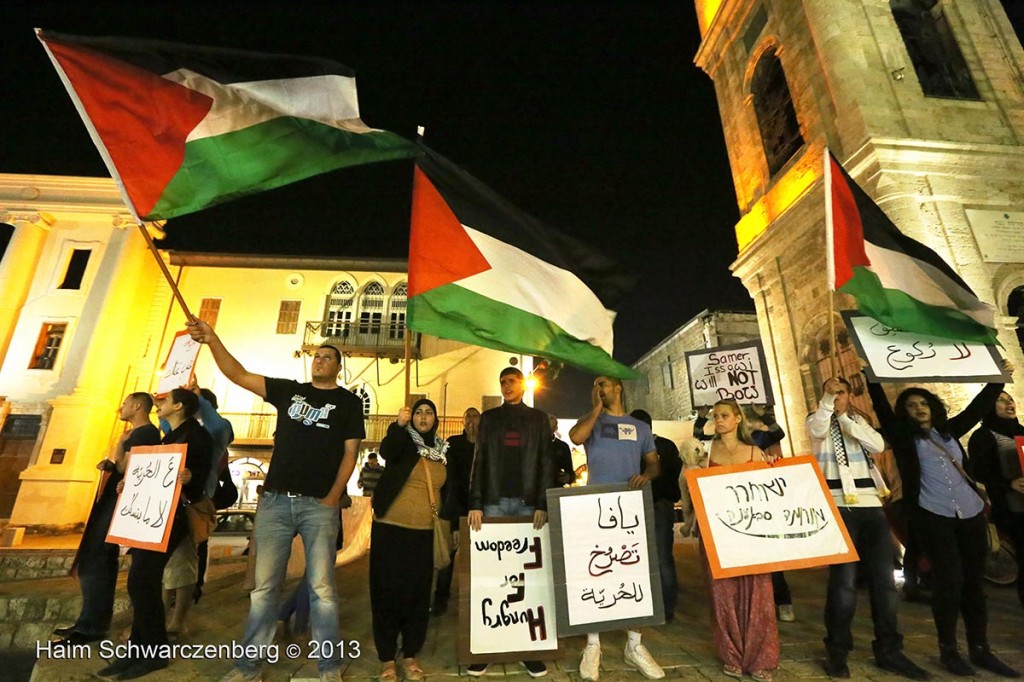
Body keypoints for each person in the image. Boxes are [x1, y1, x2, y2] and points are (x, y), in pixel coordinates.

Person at [188, 319, 363, 682]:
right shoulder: (288, 391)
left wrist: (332, 497)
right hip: (276, 503)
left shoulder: (347, 402)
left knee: (323, 589)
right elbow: (238, 374)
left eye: (327, 357)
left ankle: (328, 667)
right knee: (264, 588)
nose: (319, 360)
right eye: (316, 355)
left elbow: (350, 454)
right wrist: (212, 340)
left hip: (319, 506)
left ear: (337, 367)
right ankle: (249, 666)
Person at [868, 373, 1019, 678]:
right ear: (905, 412)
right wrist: (869, 376)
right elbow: (881, 408)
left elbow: (978, 408)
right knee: (949, 584)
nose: (919, 408)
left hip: (970, 512)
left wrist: (999, 380)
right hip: (933, 515)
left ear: (933, 407)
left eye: (924, 403)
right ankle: (949, 650)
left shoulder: (949, 431)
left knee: (975, 586)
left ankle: (981, 649)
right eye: (912, 405)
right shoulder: (904, 437)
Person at [808, 377, 928, 680]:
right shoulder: (817, 418)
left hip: (871, 505)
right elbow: (817, 430)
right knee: (843, 583)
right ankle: (837, 651)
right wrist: (827, 404)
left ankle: (889, 649)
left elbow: (877, 444)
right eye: (831, 392)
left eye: (841, 392)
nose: (837, 397)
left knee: (884, 581)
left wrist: (847, 418)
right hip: (838, 505)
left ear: (850, 396)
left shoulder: (858, 423)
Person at [97, 388, 212, 679]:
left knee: (142, 580)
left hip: (172, 518)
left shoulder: (196, 436)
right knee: (140, 580)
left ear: (179, 406)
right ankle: (139, 649)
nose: (159, 404)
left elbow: (201, 473)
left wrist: (191, 477)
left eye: (164, 400)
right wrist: (130, 485)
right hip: (154, 516)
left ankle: (154, 651)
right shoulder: (171, 436)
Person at [569, 376, 664, 682]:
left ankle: (634, 645)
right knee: (595, 571)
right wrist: (597, 408)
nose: (598, 387)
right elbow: (575, 436)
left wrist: (647, 476)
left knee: (635, 574)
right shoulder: (592, 422)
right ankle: (593, 645)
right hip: (597, 508)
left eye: (604, 384)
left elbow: (654, 464)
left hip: (630, 510)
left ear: (619, 388)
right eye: (594, 384)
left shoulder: (640, 428)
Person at [51, 393, 161, 648]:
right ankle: (88, 621)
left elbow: (126, 468)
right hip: (111, 501)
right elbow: (121, 465)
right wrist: (118, 451)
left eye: (125, 403)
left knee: (98, 559)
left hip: (117, 504)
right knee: (96, 559)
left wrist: (119, 452)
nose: (120, 407)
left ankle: (92, 625)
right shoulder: (136, 434)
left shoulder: (146, 434)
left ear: (137, 406)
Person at [467, 367, 556, 679]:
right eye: (502, 381)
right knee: (494, 575)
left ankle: (527, 649)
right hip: (493, 503)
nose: (506, 385)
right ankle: (489, 645)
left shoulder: (538, 419)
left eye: (511, 381)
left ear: (523, 384)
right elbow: (478, 462)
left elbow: (547, 462)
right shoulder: (489, 419)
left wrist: (543, 504)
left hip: (527, 504)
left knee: (526, 578)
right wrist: (475, 503)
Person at [370, 400, 449, 681]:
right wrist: (398, 425)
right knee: (386, 592)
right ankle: (387, 658)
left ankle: (411, 653)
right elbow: (387, 452)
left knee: (417, 596)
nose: (423, 416)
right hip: (390, 528)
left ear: (435, 419)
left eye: (428, 412)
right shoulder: (403, 442)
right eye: (418, 412)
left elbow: (449, 492)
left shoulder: (441, 451)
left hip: (424, 532)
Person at [700, 399, 778, 682]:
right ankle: (731, 654)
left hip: (751, 533)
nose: (718, 420)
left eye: (724, 415)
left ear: (736, 419)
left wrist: (773, 469)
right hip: (717, 532)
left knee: (758, 594)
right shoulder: (704, 452)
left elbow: (768, 490)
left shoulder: (755, 453)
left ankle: (760, 658)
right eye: (715, 415)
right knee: (723, 594)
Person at [969, 390, 1024, 608]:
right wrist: (1008, 483)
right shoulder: (984, 436)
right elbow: (979, 471)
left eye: (1010, 399)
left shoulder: (1021, 431)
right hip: (1012, 509)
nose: (1008, 403)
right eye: (1000, 400)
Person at [629, 409, 682, 623]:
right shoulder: (665, 445)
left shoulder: (663, 447)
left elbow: (670, 474)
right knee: (657, 557)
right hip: (647, 505)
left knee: (660, 557)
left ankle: (665, 607)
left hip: (657, 505)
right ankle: (660, 607)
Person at [432, 406, 480, 617]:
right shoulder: (453, 444)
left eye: (474, 416)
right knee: (447, 558)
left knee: (478, 559)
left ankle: (477, 600)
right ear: (463, 421)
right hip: (455, 506)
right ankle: (441, 599)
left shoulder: (485, 445)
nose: (471, 420)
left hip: (479, 509)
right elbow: (449, 479)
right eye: (467, 416)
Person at [549, 414, 577, 486]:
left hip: (554, 487)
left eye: (551, 428)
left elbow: (570, 473)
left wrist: (568, 478)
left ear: (555, 428)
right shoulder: (562, 446)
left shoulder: (563, 447)